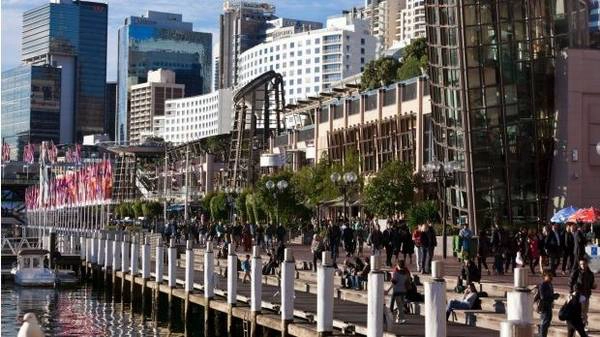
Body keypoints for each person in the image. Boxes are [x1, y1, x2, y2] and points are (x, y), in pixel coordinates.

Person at [568, 258, 596, 329]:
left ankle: (583, 324)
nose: (582, 265)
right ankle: (582, 326)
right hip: (580, 294)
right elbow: (570, 282)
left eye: (584, 264)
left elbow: (591, 284)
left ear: (587, 264)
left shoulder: (590, 273)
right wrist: (571, 292)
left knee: (585, 311)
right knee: (582, 311)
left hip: (587, 294)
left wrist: (593, 286)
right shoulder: (576, 272)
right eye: (581, 264)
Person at [537, 271, 557, 337]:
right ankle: (542, 335)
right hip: (545, 305)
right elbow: (543, 296)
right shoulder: (543, 284)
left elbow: (550, 294)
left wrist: (554, 296)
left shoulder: (550, 284)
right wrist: (552, 297)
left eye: (551, 276)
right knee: (545, 322)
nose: (551, 277)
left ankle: (541, 333)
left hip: (549, 304)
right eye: (549, 276)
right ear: (545, 277)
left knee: (547, 321)